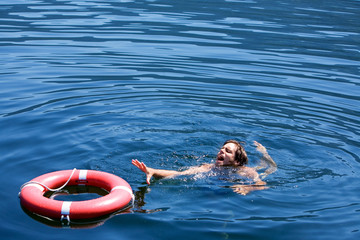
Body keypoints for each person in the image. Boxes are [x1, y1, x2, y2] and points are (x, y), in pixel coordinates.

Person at [132, 140, 277, 195]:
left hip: (250, 174)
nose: (222, 151)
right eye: (222, 149)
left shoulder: (246, 171)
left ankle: (263, 152)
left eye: (228, 151)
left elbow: (262, 185)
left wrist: (247, 188)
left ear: (237, 161)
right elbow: (178, 174)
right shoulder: (208, 167)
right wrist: (152, 171)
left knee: (268, 167)